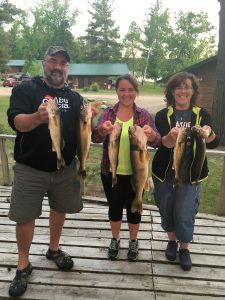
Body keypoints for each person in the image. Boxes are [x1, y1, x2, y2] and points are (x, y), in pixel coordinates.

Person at [7, 45, 100, 297]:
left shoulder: (75, 98)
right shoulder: (26, 89)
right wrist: (37, 118)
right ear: (44, 63)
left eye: (63, 63)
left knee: (59, 209)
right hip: (30, 168)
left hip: (65, 169)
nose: (58, 67)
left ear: (67, 68)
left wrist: (93, 121)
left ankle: (54, 249)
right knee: (25, 216)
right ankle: (23, 264)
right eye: (53, 61)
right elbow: (16, 122)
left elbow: (87, 133)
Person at [152, 72, 219, 271]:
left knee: (184, 211)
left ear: (193, 91)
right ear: (172, 91)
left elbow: (214, 142)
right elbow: (163, 144)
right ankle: (171, 241)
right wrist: (171, 138)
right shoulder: (163, 115)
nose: (183, 91)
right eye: (178, 87)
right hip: (165, 172)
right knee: (167, 208)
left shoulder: (202, 114)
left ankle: (184, 248)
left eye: (187, 87)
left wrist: (207, 133)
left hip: (191, 174)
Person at [92, 74, 161, 262]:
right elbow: (95, 138)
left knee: (134, 209)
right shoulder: (108, 114)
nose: (126, 93)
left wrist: (152, 135)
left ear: (136, 92)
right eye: (122, 89)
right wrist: (101, 130)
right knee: (114, 207)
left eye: (130, 90)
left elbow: (158, 142)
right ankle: (115, 239)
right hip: (111, 172)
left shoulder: (144, 115)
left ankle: (133, 240)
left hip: (137, 174)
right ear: (117, 91)